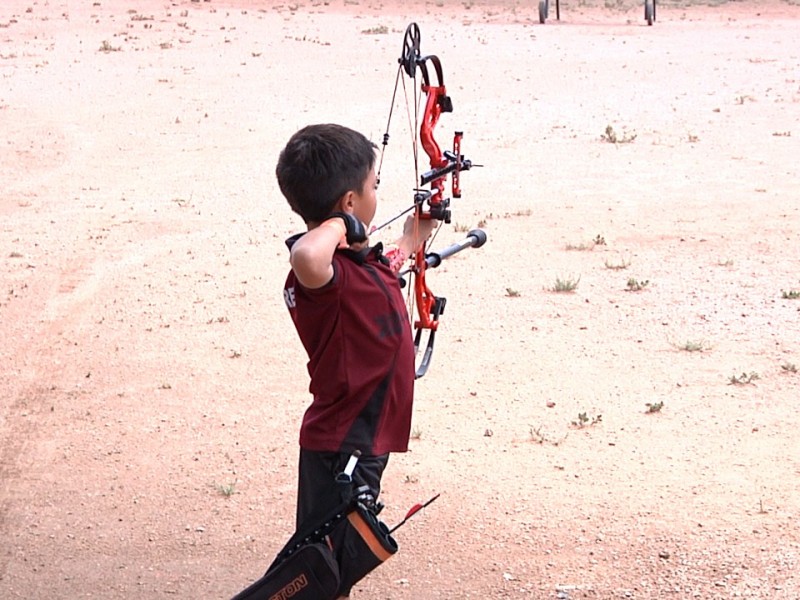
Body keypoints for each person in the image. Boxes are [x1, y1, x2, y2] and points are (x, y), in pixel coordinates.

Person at [276, 123, 435, 598]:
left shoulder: (354, 264)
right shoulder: (321, 274)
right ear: (349, 204)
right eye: (373, 186)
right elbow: (306, 255)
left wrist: (412, 237)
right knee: (316, 573)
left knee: (336, 563)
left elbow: (386, 267)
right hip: (341, 447)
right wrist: (341, 226)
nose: (377, 194)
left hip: (360, 439)